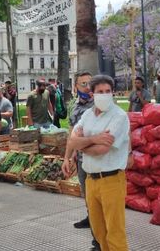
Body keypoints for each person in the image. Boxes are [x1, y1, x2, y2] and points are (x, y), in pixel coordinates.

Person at [62, 74, 130, 251]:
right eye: (100, 91)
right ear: (92, 94)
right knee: (99, 232)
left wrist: (81, 144)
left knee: (115, 232)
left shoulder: (119, 117)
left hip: (111, 180)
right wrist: (96, 138)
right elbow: (72, 140)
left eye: (108, 91)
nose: (105, 95)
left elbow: (101, 150)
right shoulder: (87, 115)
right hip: (91, 180)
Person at [64, 71, 101, 251]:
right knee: (87, 196)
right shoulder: (75, 106)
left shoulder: (100, 103)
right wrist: (67, 157)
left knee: (99, 201)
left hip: (99, 160)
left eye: (89, 83)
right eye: (83, 84)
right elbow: (71, 133)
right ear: (76, 87)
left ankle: (99, 241)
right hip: (81, 160)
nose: (87, 87)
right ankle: (91, 219)